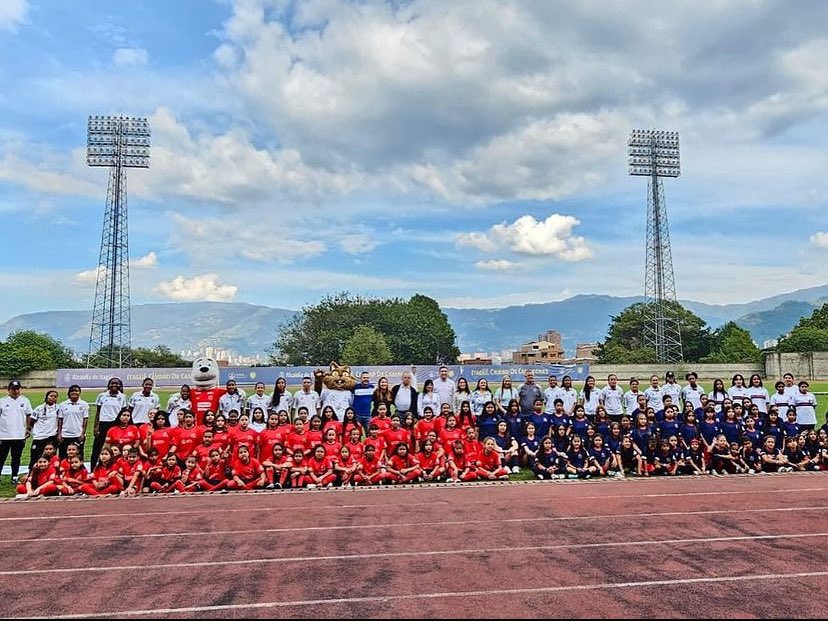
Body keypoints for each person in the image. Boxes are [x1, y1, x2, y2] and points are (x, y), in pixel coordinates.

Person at [92, 377, 127, 468]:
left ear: (120, 385)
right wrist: (96, 426)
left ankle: (112, 467)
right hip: (103, 423)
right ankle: (93, 469)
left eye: (116, 383)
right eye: (112, 383)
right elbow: (98, 412)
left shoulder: (122, 397)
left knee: (114, 448)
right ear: (109, 385)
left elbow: (123, 413)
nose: (114, 385)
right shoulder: (102, 395)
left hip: (115, 424)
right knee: (97, 447)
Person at [57, 385, 89, 459]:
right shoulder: (62, 405)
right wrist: (59, 434)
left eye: (76, 391)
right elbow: (60, 420)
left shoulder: (84, 404)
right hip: (65, 435)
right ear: (69, 393)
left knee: (78, 455)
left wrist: (82, 434)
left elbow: (85, 419)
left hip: (78, 434)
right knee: (63, 455)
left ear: (79, 393)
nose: (74, 392)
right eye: (72, 391)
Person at [28, 389, 59, 466]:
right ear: (46, 397)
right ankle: (32, 473)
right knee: (35, 456)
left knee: (51, 457)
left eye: (55, 396)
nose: (53, 398)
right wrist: (28, 430)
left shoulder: (58, 408)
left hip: (52, 436)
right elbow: (32, 421)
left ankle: (51, 474)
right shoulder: (39, 408)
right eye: (51, 396)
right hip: (39, 436)